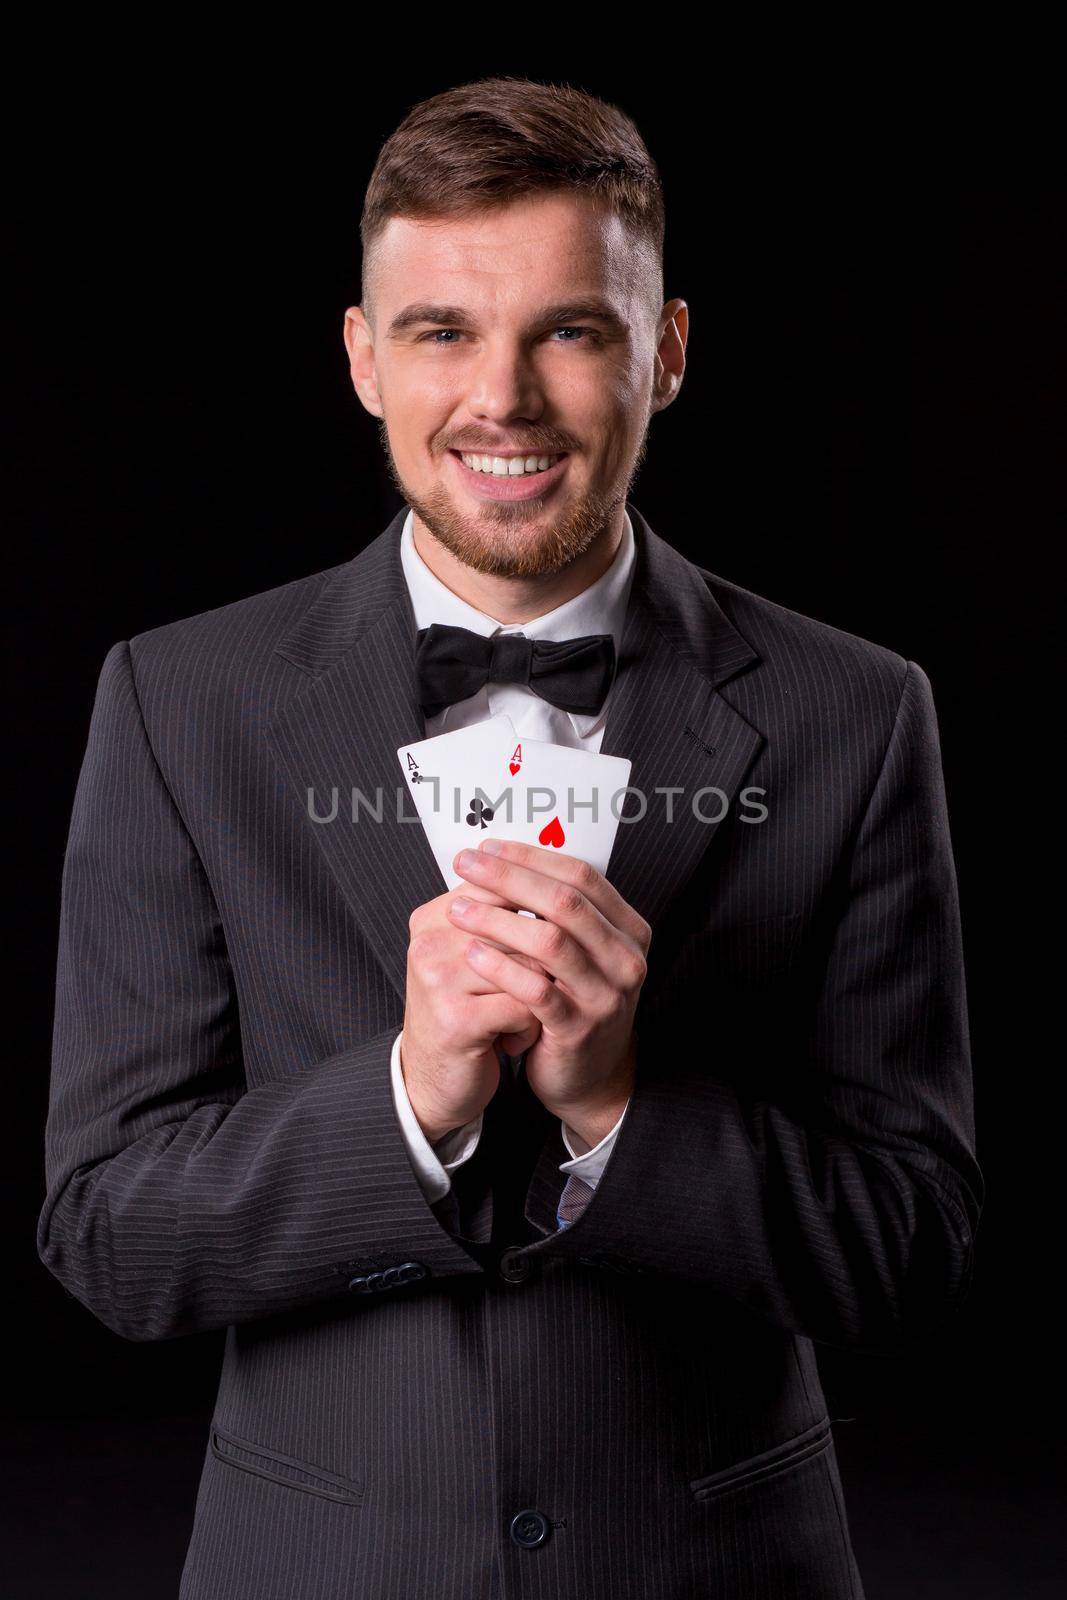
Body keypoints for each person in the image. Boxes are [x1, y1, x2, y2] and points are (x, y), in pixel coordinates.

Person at [37, 77, 983, 1600]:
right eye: (441, 332)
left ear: (663, 353)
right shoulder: (177, 703)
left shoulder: (855, 715)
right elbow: (107, 1234)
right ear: (361, 359)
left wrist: (620, 1111)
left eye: (571, 329)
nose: (505, 399)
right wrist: (408, 1100)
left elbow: (910, 1250)